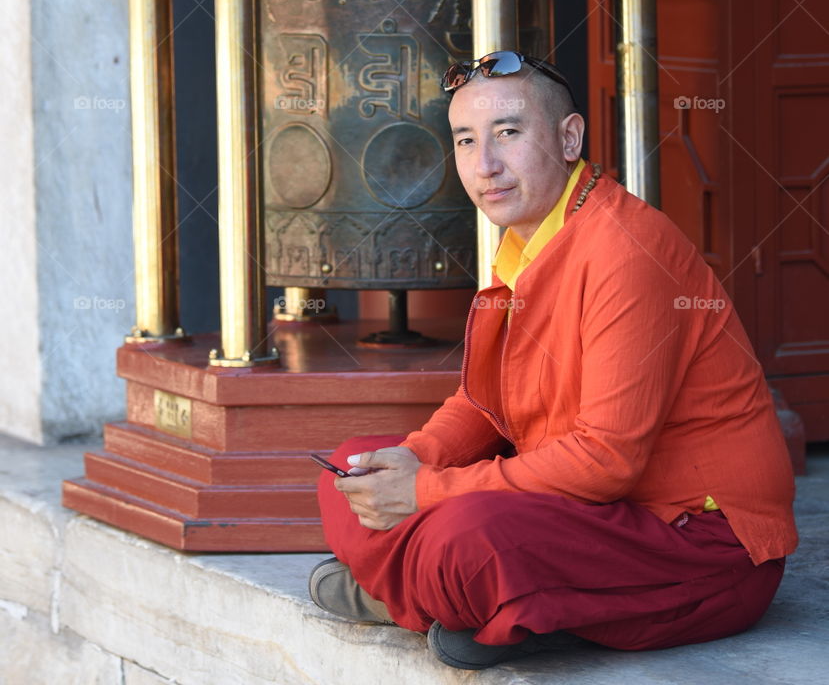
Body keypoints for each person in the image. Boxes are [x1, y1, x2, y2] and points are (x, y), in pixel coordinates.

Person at [308, 51, 798, 671]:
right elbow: (484, 401)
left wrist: (428, 492)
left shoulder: (626, 251)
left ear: (569, 139)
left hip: (701, 545)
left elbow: (607, 462)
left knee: (467, 539)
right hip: (590, 509)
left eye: (508, 133)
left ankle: (434, 597)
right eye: (466, 140)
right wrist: (416, 459)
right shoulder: (529, 237)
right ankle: (478, 608)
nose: (485, 166)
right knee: (348, 469)